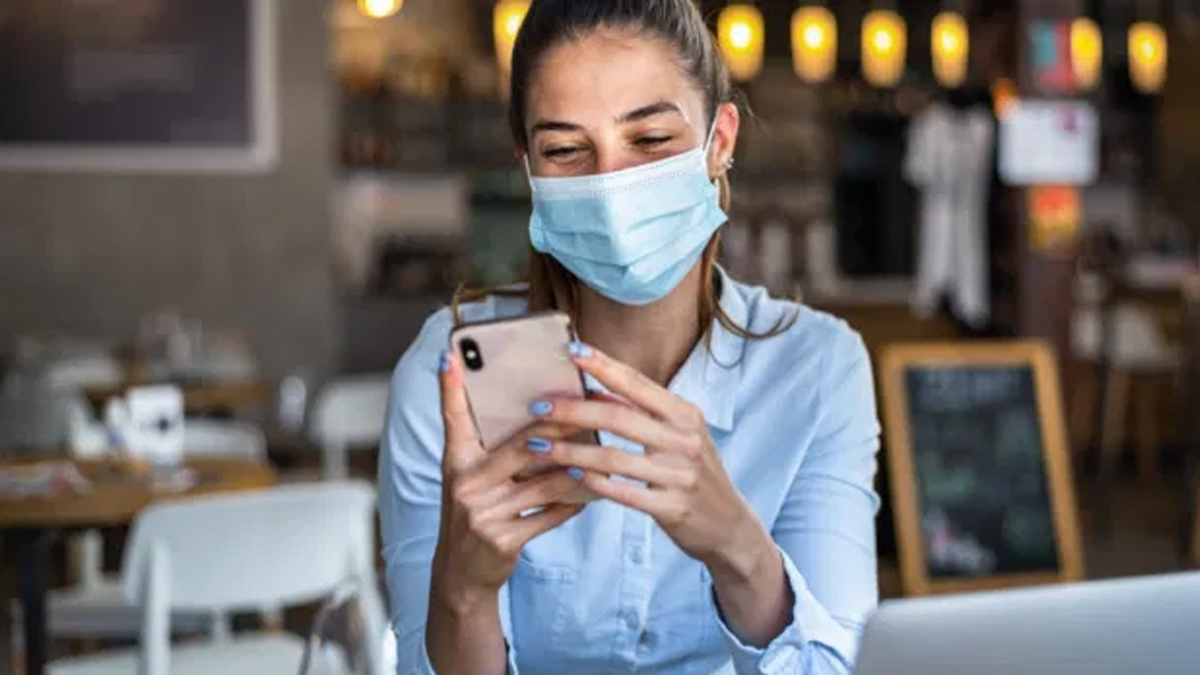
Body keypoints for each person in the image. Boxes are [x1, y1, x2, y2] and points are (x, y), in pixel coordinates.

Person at [378, 1, 881, 674]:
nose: (611, 184)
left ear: (719, 141)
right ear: (528, 171)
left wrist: (737, 547)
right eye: (566, 150)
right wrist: (464, 594)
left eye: (650, 139)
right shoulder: (450, 376)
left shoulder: (816, 367)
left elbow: (842, 665)